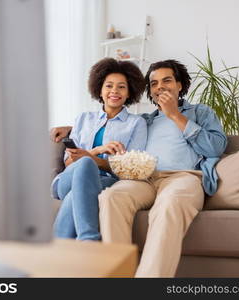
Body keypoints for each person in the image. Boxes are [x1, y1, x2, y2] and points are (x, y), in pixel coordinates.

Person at [51, 59, 227, 277]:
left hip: (183, 177)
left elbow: (216, 148)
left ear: (180, 85)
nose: (160, 87)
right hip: (144, 179)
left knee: (169, 206)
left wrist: (174, 114)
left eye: (167, 81)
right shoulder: (145, 121)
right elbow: (111, 119)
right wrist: (69, 129)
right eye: (154, 83)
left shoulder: (200, 112)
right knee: (110, 198)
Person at [51, 57, 147, 241]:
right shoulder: (83, 119)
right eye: (109, 86)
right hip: (67, 180)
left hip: (105, 181)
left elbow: (130, 169)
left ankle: (82, 242)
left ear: (129, 93)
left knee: (75, 195)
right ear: (100, 89)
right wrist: (95, 152)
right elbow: (69, 162)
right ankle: (89, 240)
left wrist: (94, 159)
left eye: (121, 87)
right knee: (85, 164)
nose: (114, 91)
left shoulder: (136, 123)